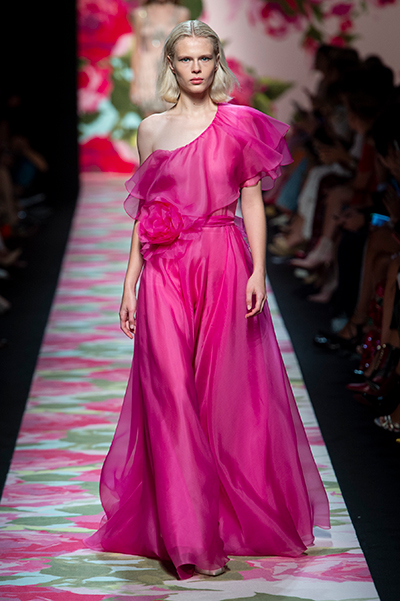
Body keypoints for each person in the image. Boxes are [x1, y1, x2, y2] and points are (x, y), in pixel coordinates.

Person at [85, 20, 330, 580]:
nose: (195, 68)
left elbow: (252, 201)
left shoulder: (241, 124)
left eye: (204, 58)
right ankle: (188, 536)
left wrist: (258, 270)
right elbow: (147, 209)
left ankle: (217, 515)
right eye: (185, 59)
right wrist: (129, 280)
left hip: (223, 262)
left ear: (216, 62)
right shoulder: (150, 129)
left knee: (220, 396)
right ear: (171, 65)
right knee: (169, 393)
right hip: (165, 269)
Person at [130, 0, 190, 115]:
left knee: (174, 114)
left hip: (170, 67)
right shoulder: (140, 14)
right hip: (147, 71)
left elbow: (183, 47)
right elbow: (137, 49)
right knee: (150, 117)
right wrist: (134, 81)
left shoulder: (181, 13)